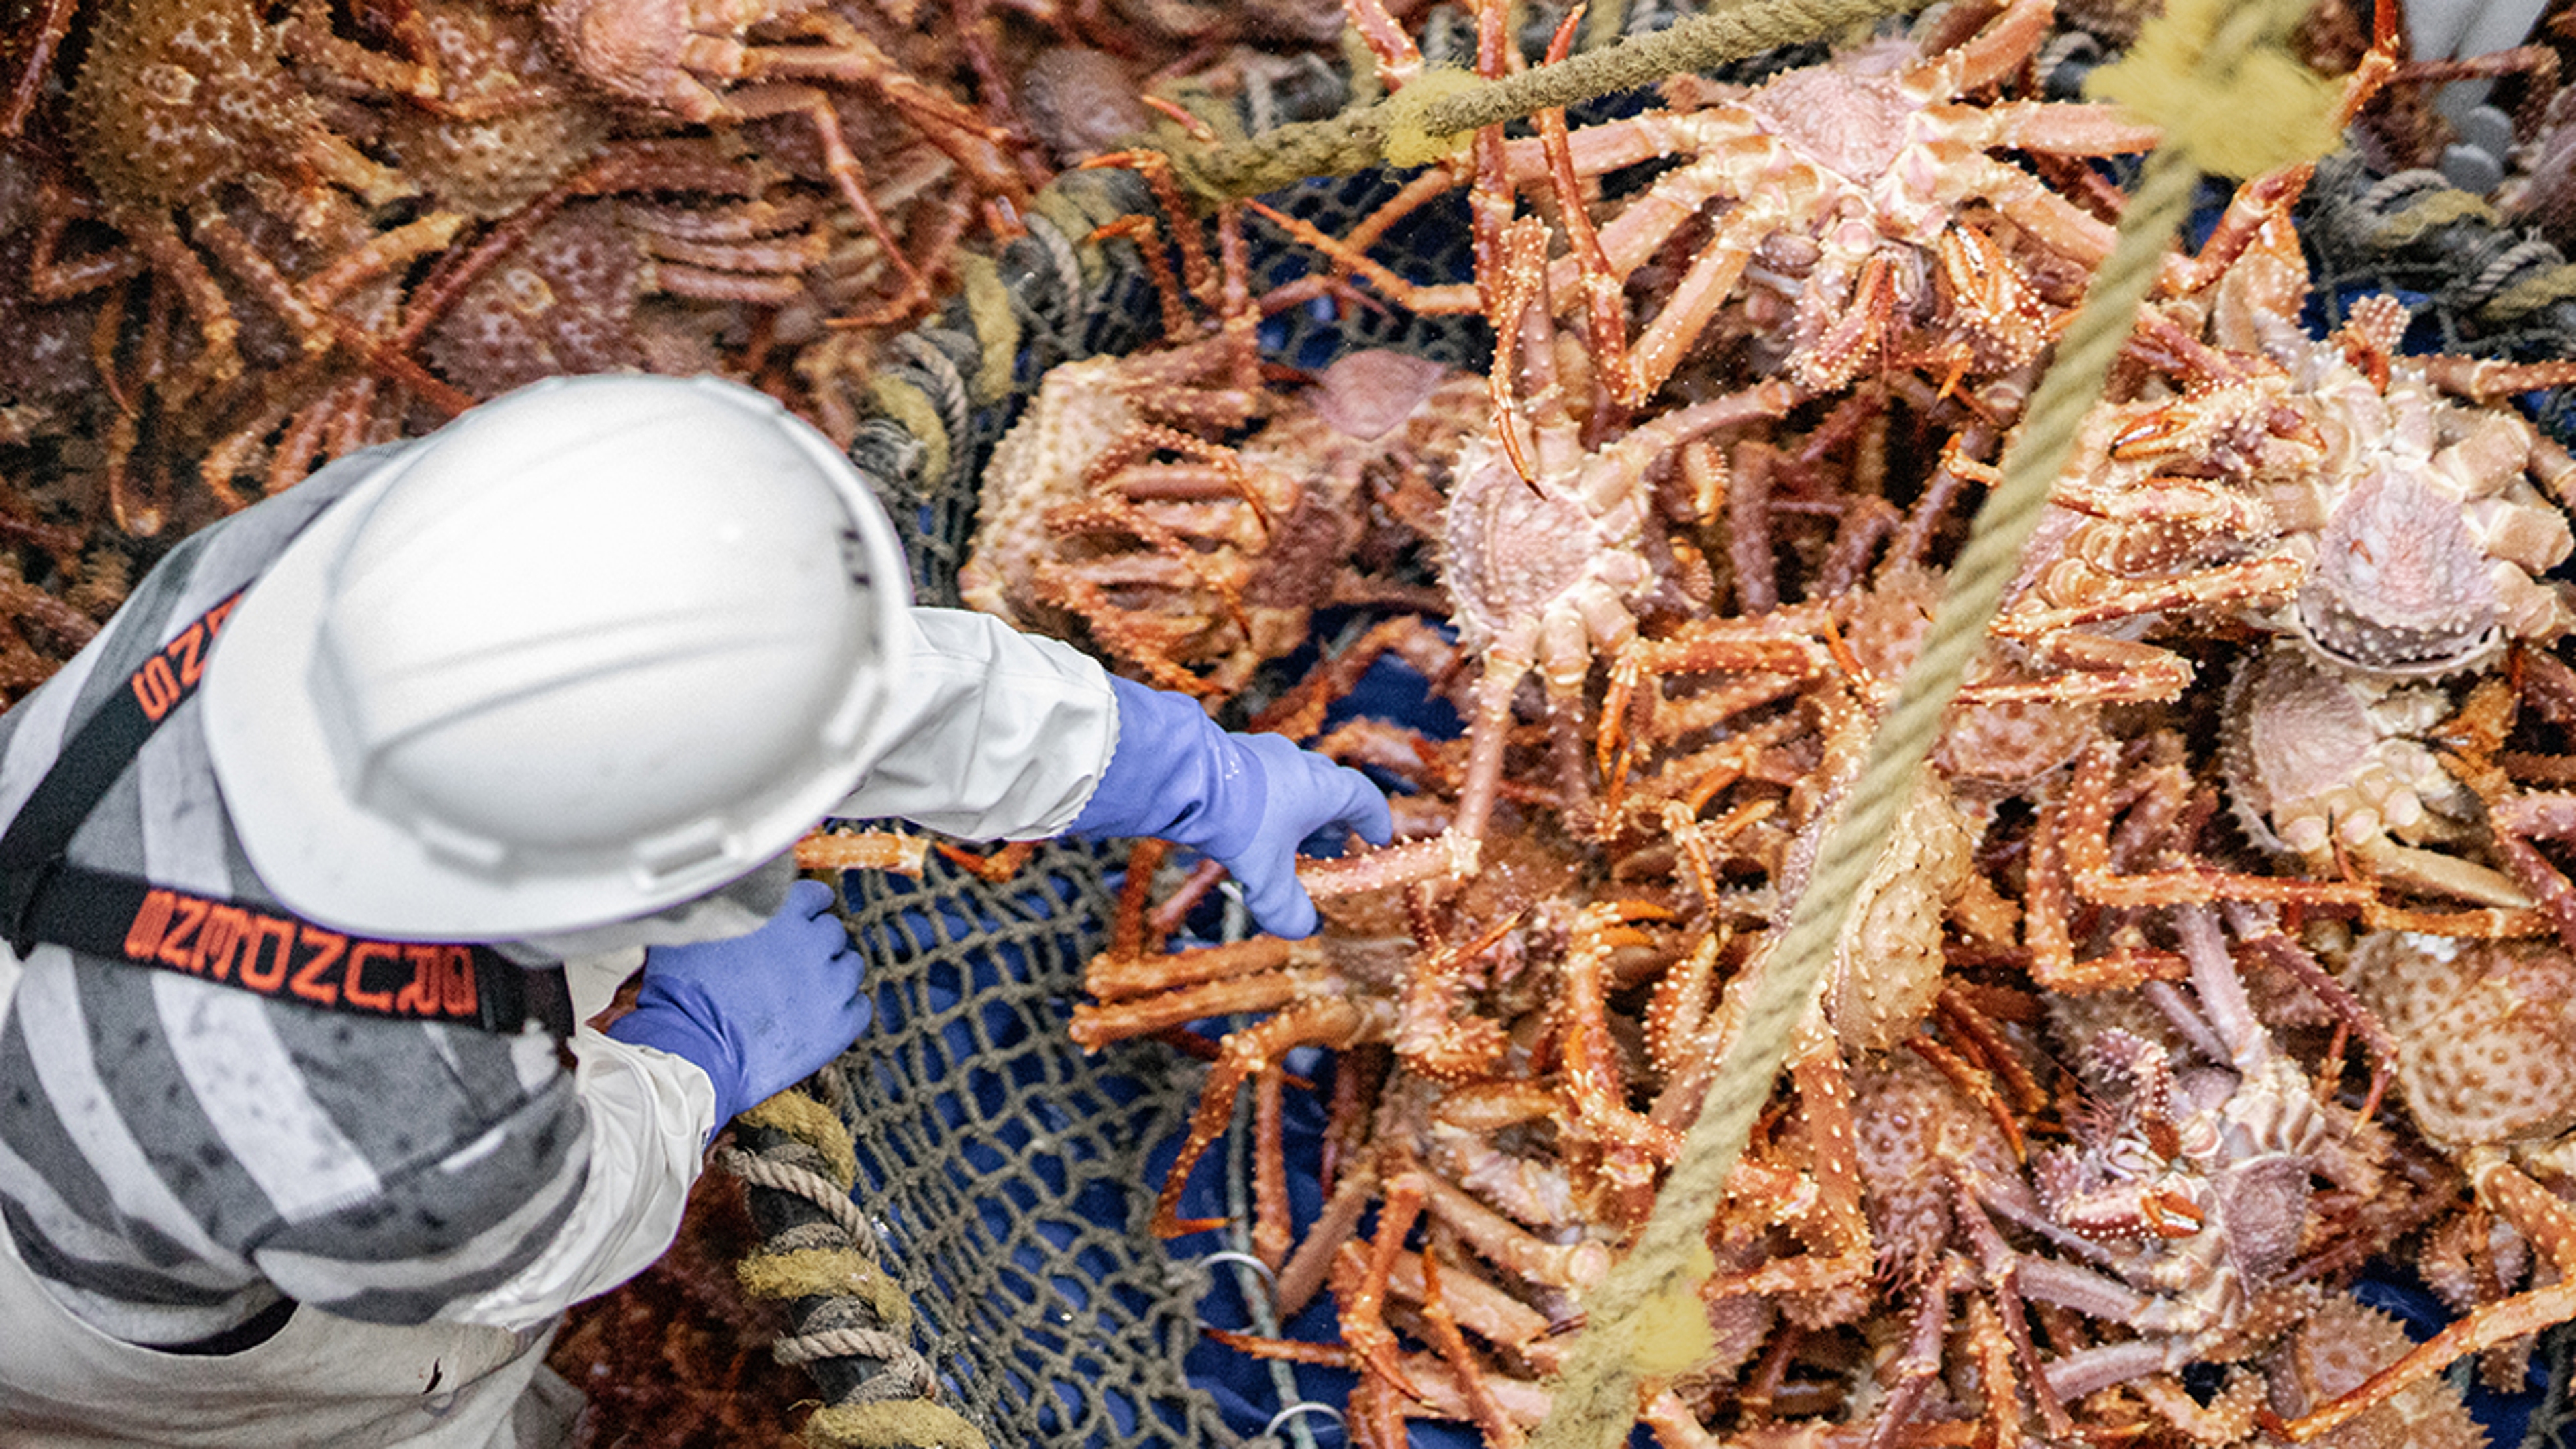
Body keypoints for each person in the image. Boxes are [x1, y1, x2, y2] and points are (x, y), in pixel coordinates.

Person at [0, 374, 1393, 1447]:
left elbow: (757, 661)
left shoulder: (353, 557)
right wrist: (690, 1060)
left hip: (64, 894)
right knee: (406, 1402)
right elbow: (559, 1223)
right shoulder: (381, 1133)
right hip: (117, 1334)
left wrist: (1167, 763)